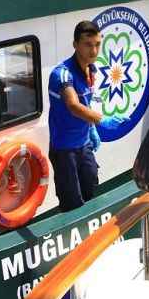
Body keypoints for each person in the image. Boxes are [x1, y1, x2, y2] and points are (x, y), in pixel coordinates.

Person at [48, 21, 128, 211]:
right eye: (87, 44)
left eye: (97, 44)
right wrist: (101, 120)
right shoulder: (62, 74)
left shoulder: (91, 70)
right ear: (75, 45)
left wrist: (92, 129)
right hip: (64, 151)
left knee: (92, 190)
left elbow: (86, 102)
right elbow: (74, 105)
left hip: (84, 145)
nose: (93, 51)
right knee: (72, 204)